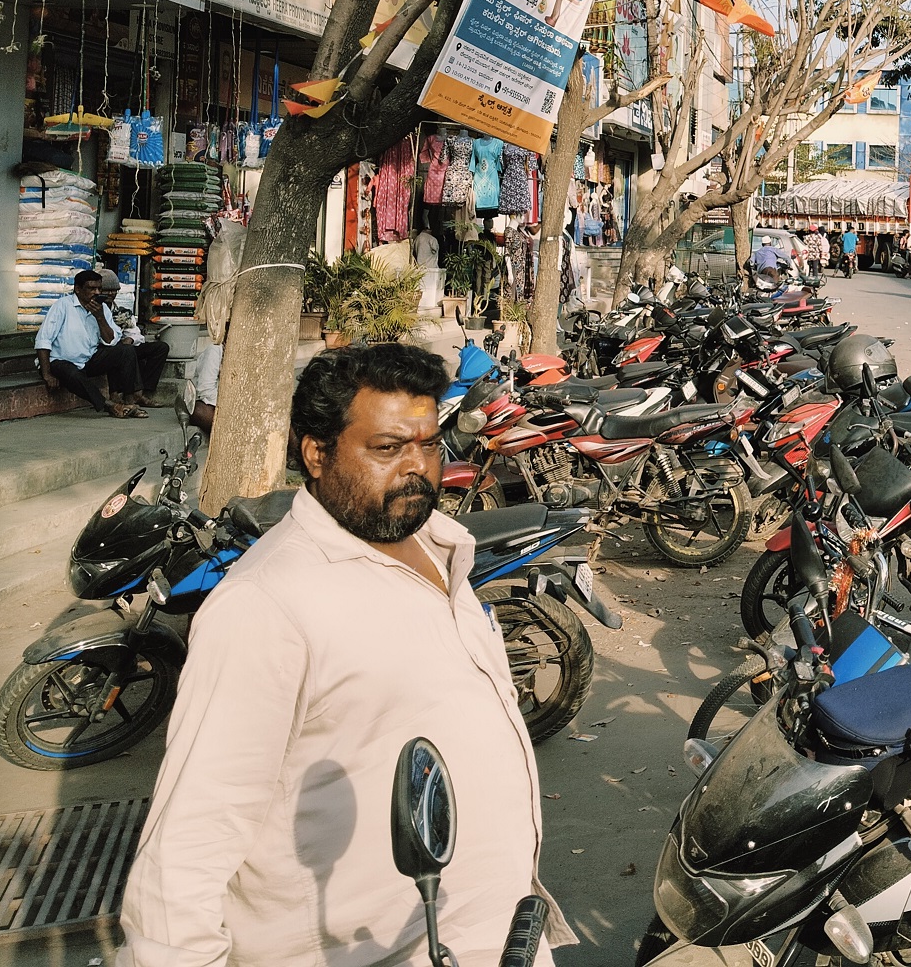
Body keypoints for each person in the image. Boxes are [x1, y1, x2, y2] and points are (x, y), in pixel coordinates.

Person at [118, 345, 569, 966]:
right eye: (387, 448)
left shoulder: (438, 546)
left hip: (491, 931)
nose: (417, 467)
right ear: (316, 453)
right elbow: (191, 840)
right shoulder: (267, 604)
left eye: (429, 444)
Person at [36, 269, 147, 418]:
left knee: (126, 351)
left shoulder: (102, 308)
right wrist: (47, 374)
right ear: (78, 289)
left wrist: (100, 318)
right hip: (61, 361)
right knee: (71, 372)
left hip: (88, 360)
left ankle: (129, 401)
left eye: (99, 288)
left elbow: (111, 341)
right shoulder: (62, 306)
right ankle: (110, 406)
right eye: (91, 288)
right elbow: (43, 340)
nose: (97, 292)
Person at [100, 269, 170, 404]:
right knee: (119, 350)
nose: (111, 294)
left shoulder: (121, 311)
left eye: (114, 290)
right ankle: (119, 393)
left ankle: (145, 391)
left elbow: (136, 333)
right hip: (108, 348)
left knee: (161, 348)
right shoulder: (95, 309)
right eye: (106, 290)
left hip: (126, 345)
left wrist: (130, 339)